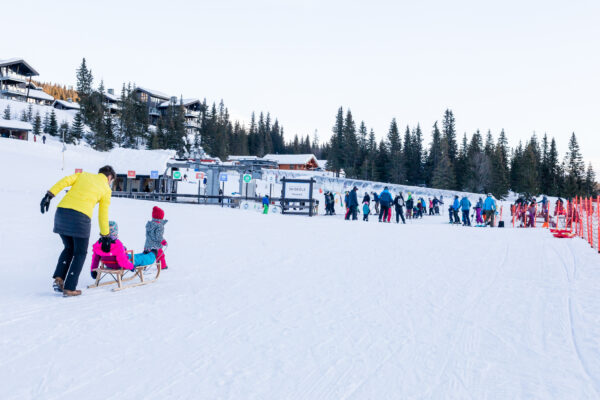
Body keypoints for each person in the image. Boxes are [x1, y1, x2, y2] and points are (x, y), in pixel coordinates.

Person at [41, 165, 115, 297]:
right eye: (111, 181)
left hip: (62, 213)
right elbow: (103, 214)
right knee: (80, 252)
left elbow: (65, 181)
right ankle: (70, 288)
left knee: (69, 247)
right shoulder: (106, 189)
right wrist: (106, 236)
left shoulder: (84, 175)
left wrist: (49, 195)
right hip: (80, 218)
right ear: (109, 177)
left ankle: (59, 279)